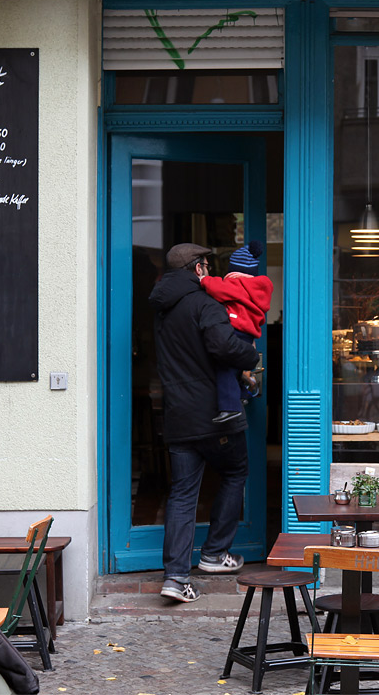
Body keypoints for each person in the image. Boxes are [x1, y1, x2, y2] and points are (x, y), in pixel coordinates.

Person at [149, 242, 260, 603]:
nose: (210, 270)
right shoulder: (205, 304)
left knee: (182, 494)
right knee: (235, 472)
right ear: (197, 268)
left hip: (178, 415)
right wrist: (252, 356)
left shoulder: (164, 310)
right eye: (207, 264)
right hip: (215, 414)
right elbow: (224, 347)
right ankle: (214, 554)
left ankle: (175, 578)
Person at [200, 241, 273, 423]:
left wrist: (203, 279)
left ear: (234, 272)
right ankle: (241, 395)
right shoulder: (255, 289)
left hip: (236, 331)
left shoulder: (235, 285)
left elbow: (216, 288)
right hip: (248, 335)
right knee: (235, 369)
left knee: (225, 368)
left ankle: (230, 407)